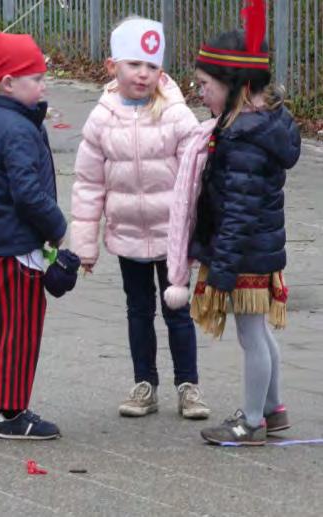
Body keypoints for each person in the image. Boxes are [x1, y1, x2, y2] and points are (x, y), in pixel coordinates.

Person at [165, 1, 301, 445]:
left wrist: (220, 272)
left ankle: (253, 422)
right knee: (258, 332)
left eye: (204, 84)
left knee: (251, 337)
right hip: (257, 250)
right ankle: (274, 409)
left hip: (245, 254)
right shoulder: (255, 126)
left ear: (234, 85)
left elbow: (238, 213)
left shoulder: (244, 138)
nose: (198, 92)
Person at [71, 17, 210, 419]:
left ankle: (189, 385)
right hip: (127, 233)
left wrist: (199, 233)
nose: (143, 73)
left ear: (161, 72)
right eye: (134, 64)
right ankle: (144, 383)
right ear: (112, 66)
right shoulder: (101, 118)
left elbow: (197, 178)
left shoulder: (176, 115)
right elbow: (88, 184)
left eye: (151, 66)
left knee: (178, 311)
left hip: (172, 234)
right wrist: (84, 246)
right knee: (138, 310)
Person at [0, 32, 67, 440]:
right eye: (36, 78)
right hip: (15, 247)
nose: (43, 85)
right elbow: (27, 193)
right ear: (8, 83)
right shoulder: (18, 129)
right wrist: (58, 228)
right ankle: (12, 412)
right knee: (18, 330)